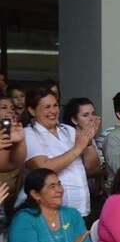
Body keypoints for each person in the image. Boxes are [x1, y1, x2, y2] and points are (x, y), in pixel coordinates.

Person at [23, 88, 92, 219]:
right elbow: (42, 168)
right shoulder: (28, 133)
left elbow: (92, 167)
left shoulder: (68, 130)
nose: (53, 111)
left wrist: (89, 140)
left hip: (81, 208)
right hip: (49, 211)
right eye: (47, 107)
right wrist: (78, 148)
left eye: (55, 105)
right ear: (32, 111)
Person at [62, 98, 105, 225]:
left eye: (93, 113)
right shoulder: (68, 138)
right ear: (74, 120)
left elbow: (96, 169)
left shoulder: (90, 137)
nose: (91, 118)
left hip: (93, 195)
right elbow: (91, 170)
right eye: (85, 115)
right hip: (72, 199)